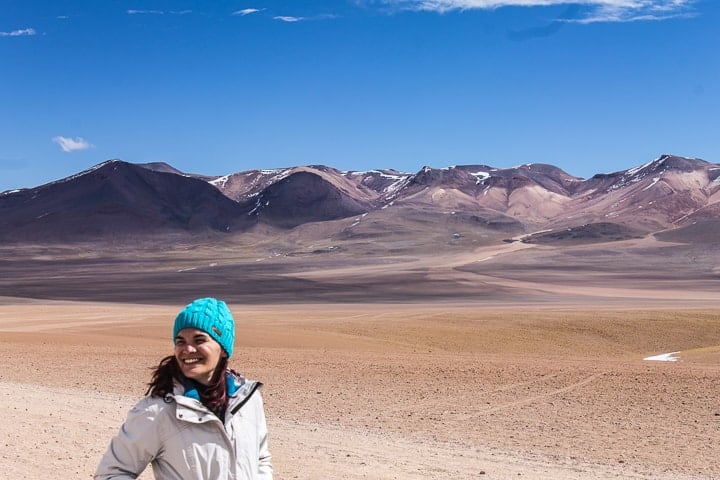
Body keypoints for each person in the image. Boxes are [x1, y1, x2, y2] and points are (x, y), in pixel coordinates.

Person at [95, 297, 273, 479]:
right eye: (180, 341)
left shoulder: (248, 399)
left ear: (223, 349)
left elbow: (260, 459)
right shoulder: (159, 411)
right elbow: (111, 473)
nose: (187, 349)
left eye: (199, 340)